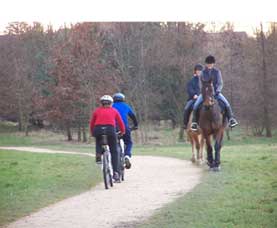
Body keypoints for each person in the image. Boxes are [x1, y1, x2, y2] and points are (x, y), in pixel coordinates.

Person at [191, 55, 238, 131]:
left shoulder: (217, 72)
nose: (210, 65)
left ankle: (231, 119)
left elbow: (220, 83)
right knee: (196, 105)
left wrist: (218, 91)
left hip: (216, 92)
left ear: (213, 64)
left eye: (211, 64)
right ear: (206, 64)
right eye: (208, 64)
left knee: (226, 103)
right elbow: (200, 84)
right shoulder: (203, 73)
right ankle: (194, 123)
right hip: (205, 93)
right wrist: (203, 92)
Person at [90, 95, 125, 181]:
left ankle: (98, 155)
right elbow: (120, 123)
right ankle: (116, 173)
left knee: (98, 141)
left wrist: (92, 133)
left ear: (101, 103)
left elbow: (92, 123)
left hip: (98, 129)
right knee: (114, 151)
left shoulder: (96, 111)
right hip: (110, 130)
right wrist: (123, 132)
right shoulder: (114, 111)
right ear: (111, 103)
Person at [112, 93, 138, 169]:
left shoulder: (111, 106)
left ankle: (115, 159)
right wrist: (135, 125)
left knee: (113, 142)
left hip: (114, 128)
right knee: (129, 142)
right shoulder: (126, 106)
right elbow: (133, 116)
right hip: (125, 127)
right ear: (123, 99)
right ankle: (127, 155)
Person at [183, 64, 203, 129]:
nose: (199, 72)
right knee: (186, 108)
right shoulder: (192, 81)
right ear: (195, 71)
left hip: (204, 98)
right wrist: (194, 95)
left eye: (200, 71)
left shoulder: (205, 80)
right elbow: (189, 89)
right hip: (194, 98)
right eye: (198, 71)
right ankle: (185, 124)